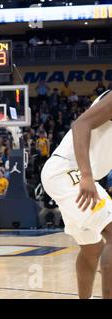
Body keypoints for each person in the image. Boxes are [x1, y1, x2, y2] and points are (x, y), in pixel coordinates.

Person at [41, 89, 112, 299]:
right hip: (70, 172)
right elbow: (80, 124)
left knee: (92, 248)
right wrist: (87, 176)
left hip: (70, 176)